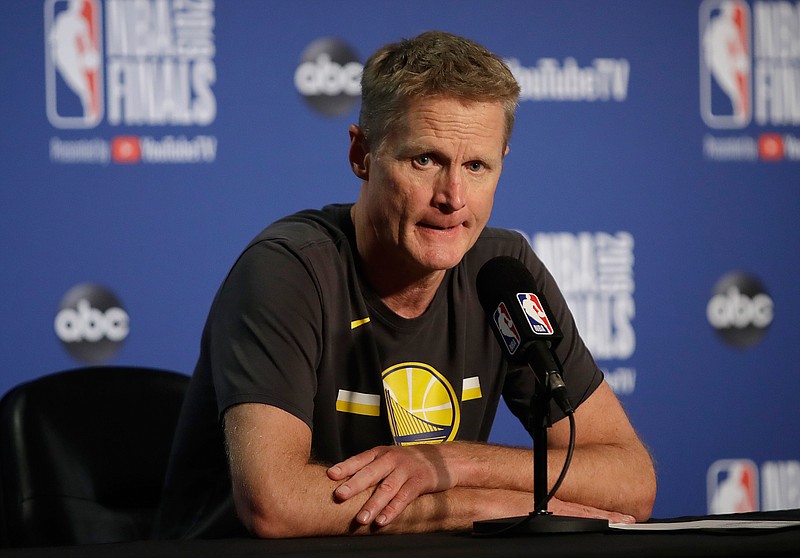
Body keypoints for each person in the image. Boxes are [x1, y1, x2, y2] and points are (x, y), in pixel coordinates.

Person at [153, 30, 656, 539]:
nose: (453, 197)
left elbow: (631, 480)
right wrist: (490, 505)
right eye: (425, 160)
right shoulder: (287, 269)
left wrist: (454, 465)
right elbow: (275, 504)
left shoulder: (501, 270)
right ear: (362, 155)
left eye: (477, 166)